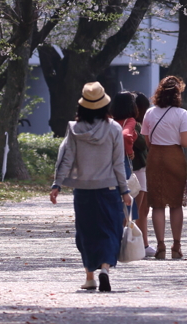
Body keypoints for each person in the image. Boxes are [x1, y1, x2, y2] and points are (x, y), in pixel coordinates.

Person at [50, 81, 131, 293]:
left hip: (83, 190)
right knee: (109, 230)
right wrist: (125, 191)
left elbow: (66, 159)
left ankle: (89, 277)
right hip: (109, 189)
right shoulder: (114, 129)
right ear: (105, 105)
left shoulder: (74, 129)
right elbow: (118, 163)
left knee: (86, 232)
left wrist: (57, 184)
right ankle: (105, 268)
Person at [142, 75, 187, 260]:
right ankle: (177, 246)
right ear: (177, 94)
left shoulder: (150, 113)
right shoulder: (182, 114)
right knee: (175, 203)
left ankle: (160, 245)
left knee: (157, 203)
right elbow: (185, 142)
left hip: (155, 157)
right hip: (174, 157)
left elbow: (147, 140)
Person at [132, 91, 154, 256]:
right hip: (137, 169)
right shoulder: (133, 125)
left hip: (139, 168)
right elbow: (143, 144)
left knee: (141, 210)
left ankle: (143, 244)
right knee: (139, 210)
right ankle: (141, 244)